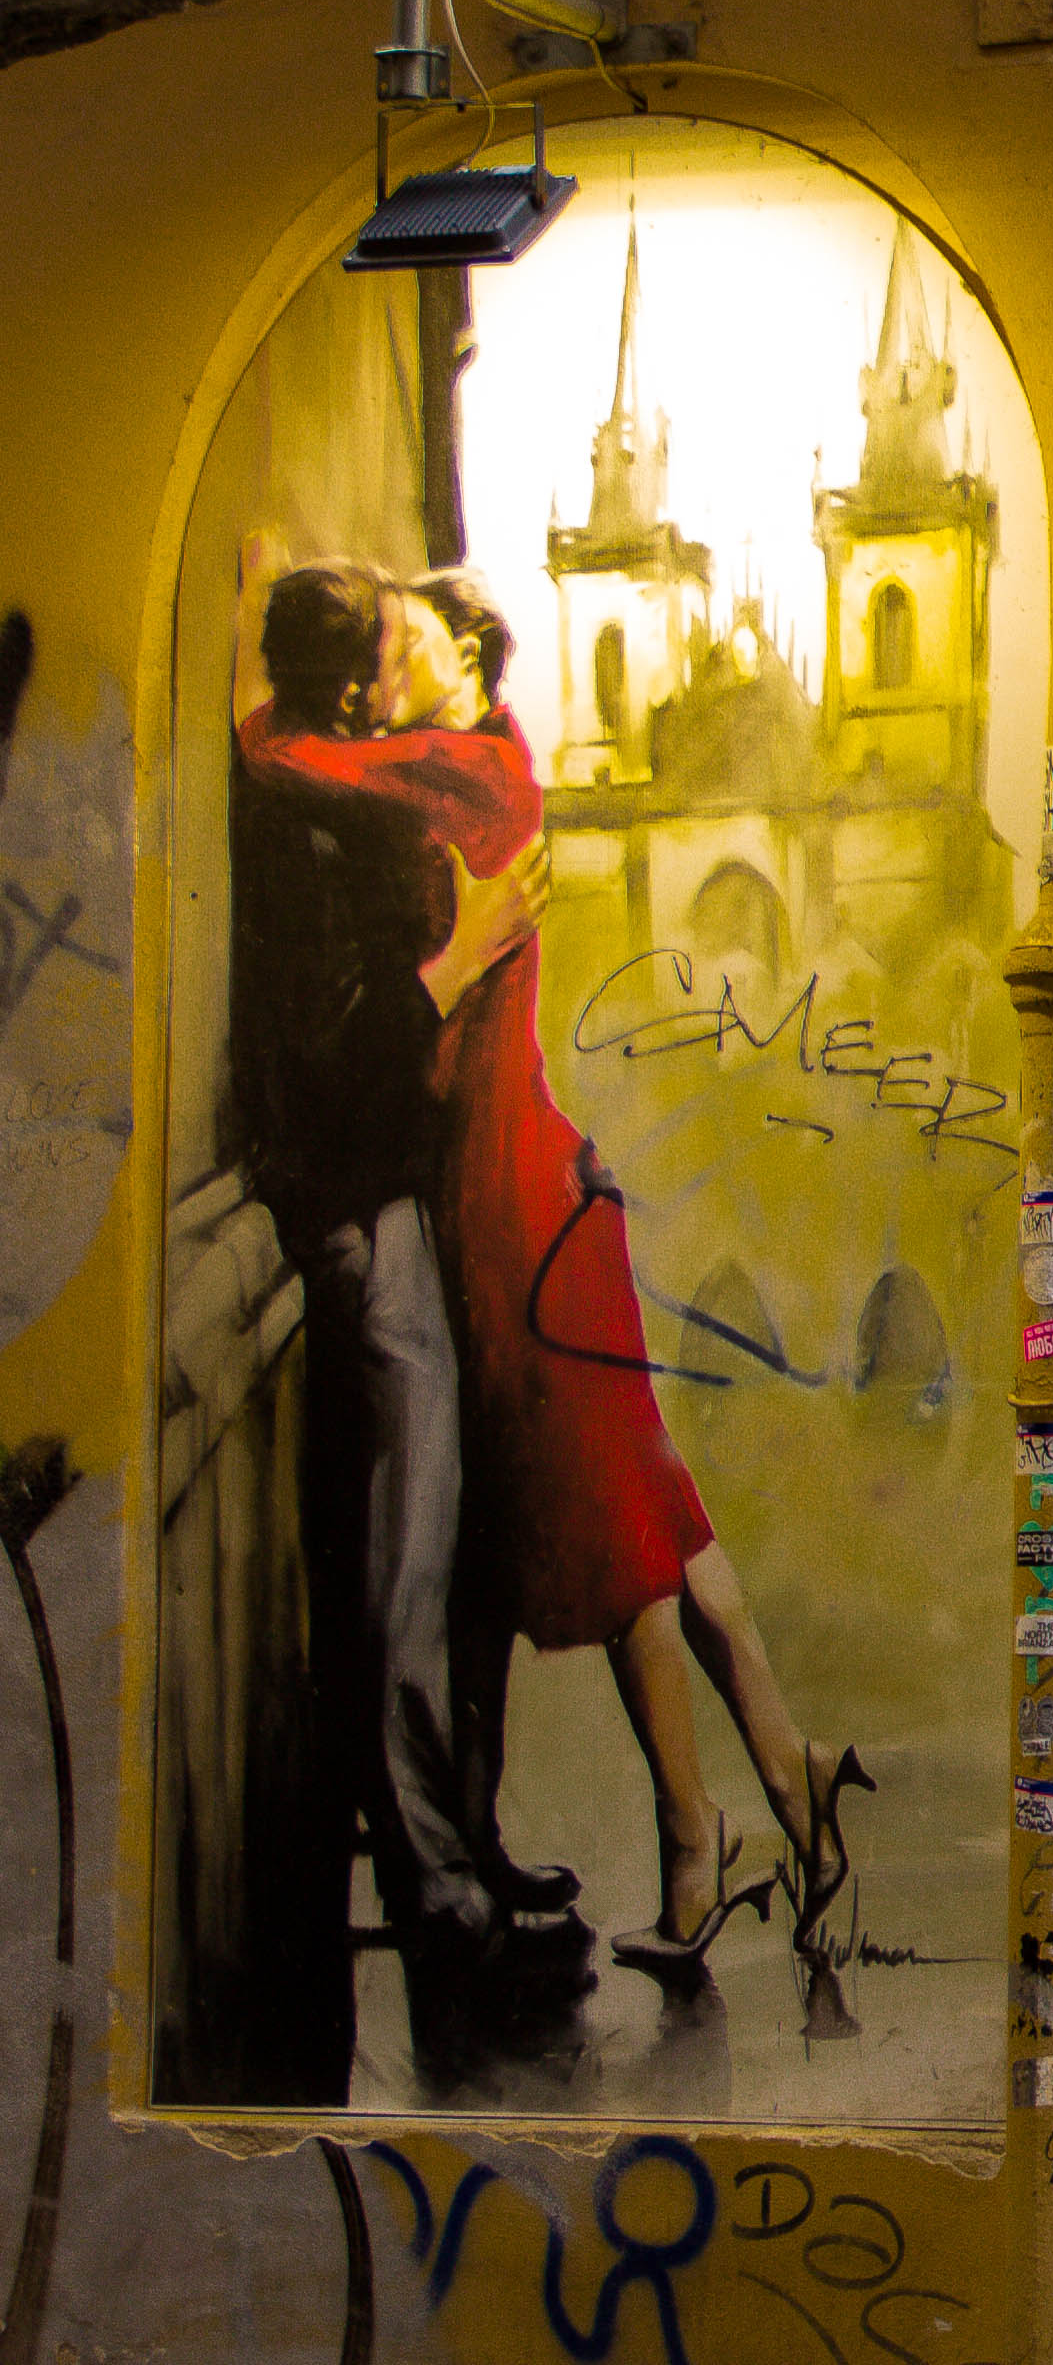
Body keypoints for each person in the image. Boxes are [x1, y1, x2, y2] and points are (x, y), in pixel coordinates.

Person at [239, 572, 871, 1993]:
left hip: (512, 1198)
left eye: (401, 646)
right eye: (375, 649)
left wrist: (263, 735)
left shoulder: (459, 772)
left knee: (614, 1523)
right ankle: (790, 1772)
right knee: (648, 1511)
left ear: (462, 656)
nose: (378, 676)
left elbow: (307, 764)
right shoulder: (486, 763)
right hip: (516, 1182)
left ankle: (701, 1832)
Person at [232, 557, 578, 1999]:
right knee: (407, 1567)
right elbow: (338, 1053)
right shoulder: (310, 829)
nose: (397, 687)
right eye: (382, 654)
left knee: (450, 1553)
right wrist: (475, 951)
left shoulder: (342, 796)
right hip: (364, 1215)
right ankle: (444, 1910)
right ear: (346, 679)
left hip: (402, 1201)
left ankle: (463, 1860)